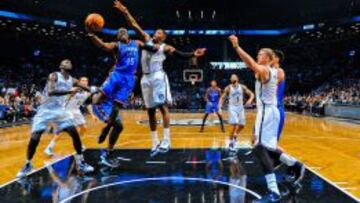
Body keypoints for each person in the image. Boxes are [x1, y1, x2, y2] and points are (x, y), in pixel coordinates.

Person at [113, 0, 206, 156]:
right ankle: (154, 142)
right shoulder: (145, 39)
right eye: (156, 31)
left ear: (163, 37)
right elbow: (134, 24)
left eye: (159, 32)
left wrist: (193, 54)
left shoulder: (166, 47)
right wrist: (125, 11)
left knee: (163, 107)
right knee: (149, 111)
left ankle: (167, 140)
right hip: (145, 78)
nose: (156, 33)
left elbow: (180, 55)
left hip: (158, 76)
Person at [228, 35, 305, 202]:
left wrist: (236, 47)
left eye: (261, 54)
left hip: (267, 113)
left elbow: (250, 64)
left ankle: (274, 191)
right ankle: (295, 164)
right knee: (269, 148)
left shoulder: (265, 70)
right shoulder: (274, 71)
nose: (258, 55)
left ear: (269, 59)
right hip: (270, 112)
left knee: (259, 148)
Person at [17, 59, 94, 178]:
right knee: (35, 138)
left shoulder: (73, 80)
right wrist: (70, 91)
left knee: (74, 133)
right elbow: (51, 91)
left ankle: (81, 162)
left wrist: (98, 90)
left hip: (60, 111)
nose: (68, 62)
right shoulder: (54, 76)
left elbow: (86, 88)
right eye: (65, 62)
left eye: (69, 61)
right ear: (61, 66)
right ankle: (28, 164)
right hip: (45, 110)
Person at [43, 77, 97, 156]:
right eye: (82, 80)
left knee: (84, 127)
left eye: (86, 81)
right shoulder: (74, 89)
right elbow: (63, 99)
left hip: (76, 110)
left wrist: (92, 115)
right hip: (67, 110)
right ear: (79, 82)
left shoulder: (87, 93)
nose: (84, 82)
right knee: (63, 130)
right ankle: (49, 148)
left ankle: (78, 143)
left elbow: (88, 104)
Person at [219, 74, 254, 155]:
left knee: (242, 125)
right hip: (232, 107)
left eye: (234, 76)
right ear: (230, 80)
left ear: (237, 78)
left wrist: (250, 100)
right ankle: (231, 143)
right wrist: (219, 108)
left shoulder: (242, 87)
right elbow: (222, 98)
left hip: (240, 107)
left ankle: (235, 136)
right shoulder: (228, 88)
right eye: (231, 77)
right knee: (234, 124)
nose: (232, 78)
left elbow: (252, 94)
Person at [272, 50, 286, 140]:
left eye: (271, 56)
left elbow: (273, 88)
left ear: (277, 59)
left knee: (273, 142)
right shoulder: (270, 71)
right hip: (271, 107)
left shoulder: (279, 71)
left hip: (276, 108)